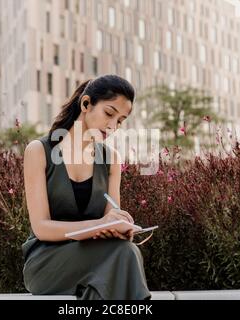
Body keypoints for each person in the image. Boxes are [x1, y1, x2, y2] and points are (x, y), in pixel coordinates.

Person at [22, 74, 151, 300]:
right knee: (125, 257)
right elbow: (41, 227)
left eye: (120, 121)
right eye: (109, 113)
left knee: (125, 251)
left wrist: (118, 227)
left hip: (95, 257)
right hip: (46, 262)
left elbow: (110, 218)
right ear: (86, 104)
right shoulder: (39, 151)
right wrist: (98, 225)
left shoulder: (111, 160)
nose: (112, 126)